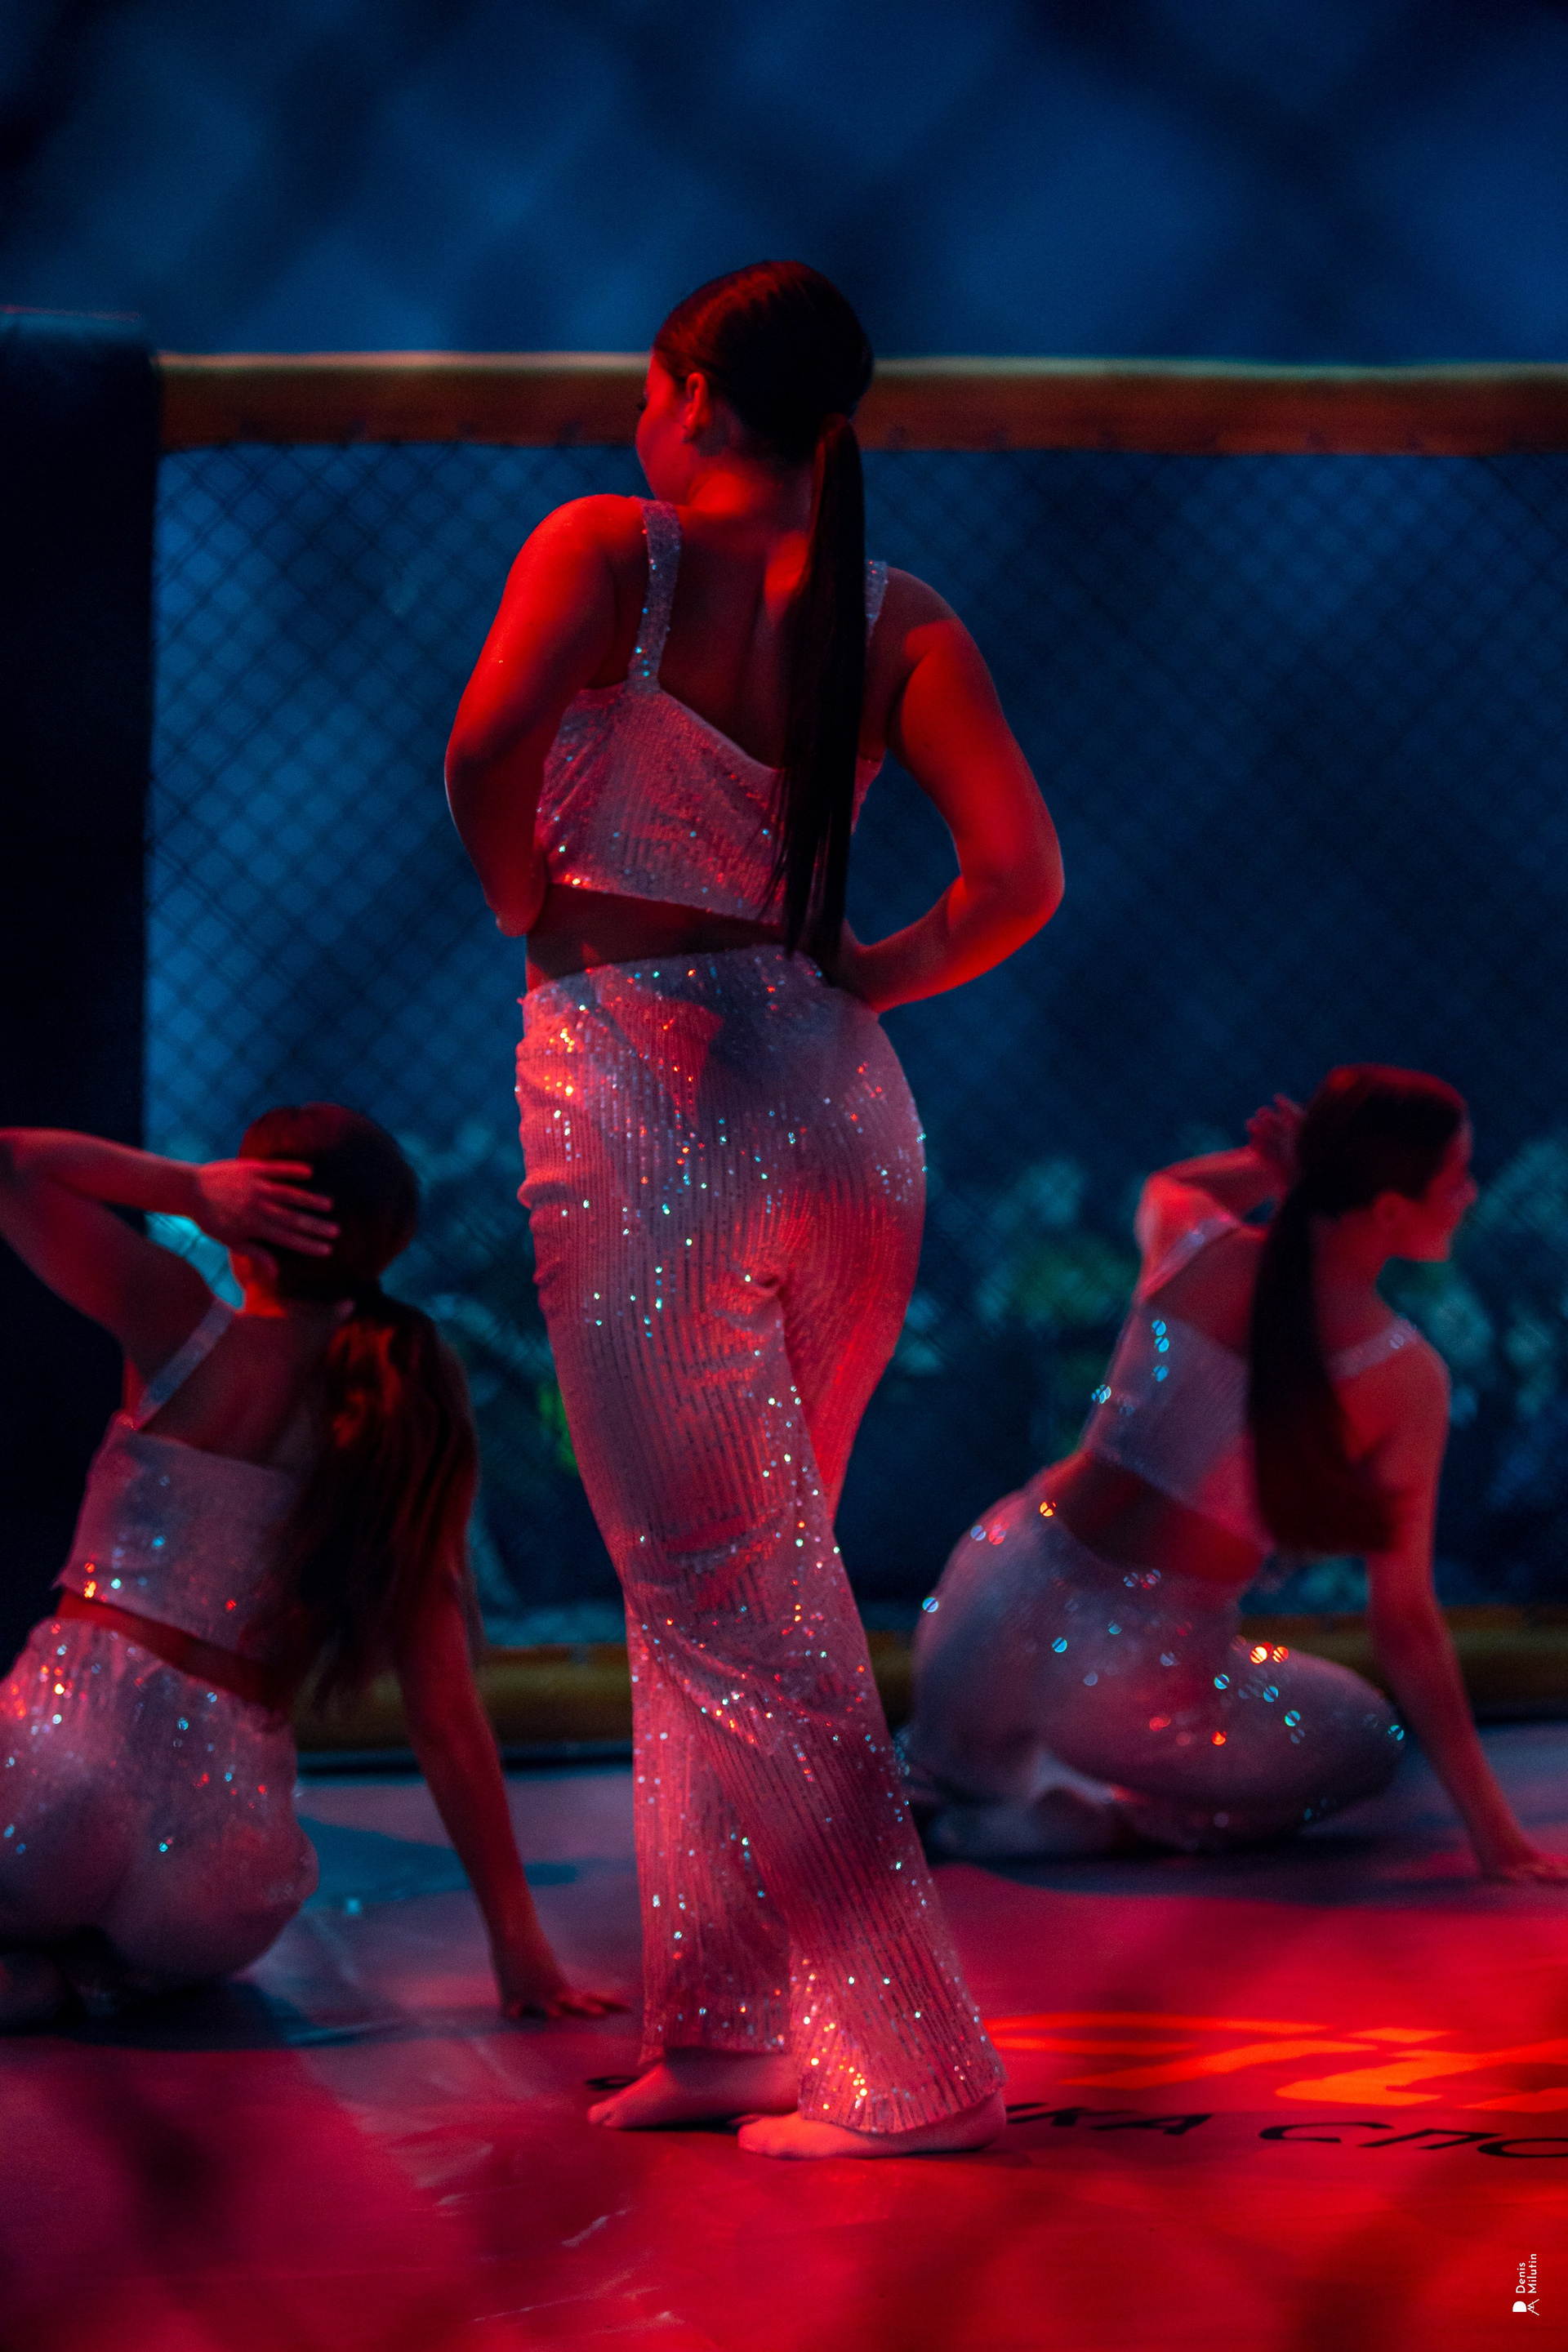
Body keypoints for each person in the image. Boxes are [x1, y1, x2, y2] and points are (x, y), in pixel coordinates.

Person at [446, 261, 1063, 2157]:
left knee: (728, 1600)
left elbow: (481, 753)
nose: (636, 416)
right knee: (728, 1589)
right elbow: (1019, 878)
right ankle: (718, 2025)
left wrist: (527, 904)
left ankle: (915, 2062)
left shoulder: (603, 548)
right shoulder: (897, 609)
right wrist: (864, 976)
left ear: (693, 393)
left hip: (649, 1091)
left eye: (649, 385)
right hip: (840, 1104)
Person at [0, 1108, 622, 2025]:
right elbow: (444, 1714)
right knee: (149, 1927)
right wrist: (519, 1944)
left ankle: (39, 1965)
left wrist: (187, 1189)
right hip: (218, 1868)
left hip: (55, 1774)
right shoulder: (406, 1402)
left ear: (245, 1212)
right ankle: (91, 1981)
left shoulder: (179, 1324)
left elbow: (13, 1164)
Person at [904, 1068, 1568, 1883]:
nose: (1471, 1194)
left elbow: (1170, 1186)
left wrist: (1268, 1169)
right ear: (1392, 1211)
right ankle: (1105, 1821)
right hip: (1128, 1686)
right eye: (1456, 1177)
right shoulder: (1402, 1374)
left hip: (985, 1606)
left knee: (969, 1759)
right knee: (1365, 1736)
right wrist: (1495, 1831)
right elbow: (1405, 1625)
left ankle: (967, 1774)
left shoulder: (1196, 1248)